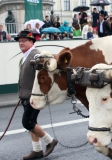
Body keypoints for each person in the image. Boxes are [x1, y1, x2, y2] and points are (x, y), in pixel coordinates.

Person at [14, 30, 58, 160]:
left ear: (31, 41)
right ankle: (37, 150)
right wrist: (21, 93)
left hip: (34, 97)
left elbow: (43, 77)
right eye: (19, 41)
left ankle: (50, 141)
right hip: (26, 96)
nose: (21, 43)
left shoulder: (36, 55)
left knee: (27, 122)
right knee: (32, 123)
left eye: (24, 41)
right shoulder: (26, 56)